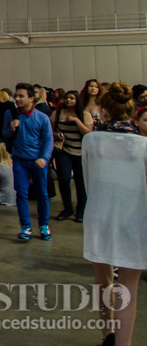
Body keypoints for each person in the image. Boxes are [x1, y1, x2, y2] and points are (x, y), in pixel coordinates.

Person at [82, 83, 143, 346]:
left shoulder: (91, 140)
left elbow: (87, 181)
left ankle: (107, 334)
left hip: (100, 215)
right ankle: (123, 343)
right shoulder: (144, 145)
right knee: (129, 286)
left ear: (103, 111)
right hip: (136, 218)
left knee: (103, 280)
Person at [3, 82, 54, 242]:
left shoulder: (42, 118)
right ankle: (26, 226)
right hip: (19, 161)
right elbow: (4, 135)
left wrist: (44, 158)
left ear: (32, 98)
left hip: (38, 162)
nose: (17, 99)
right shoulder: (10, 115)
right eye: (16, 96)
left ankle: (44, 225)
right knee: (21, 193)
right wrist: (10, 129)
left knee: (42, 194)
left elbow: (48, 141)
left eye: (21, 96)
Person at [51, 90, 92, 223]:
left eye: (72, 98)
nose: (68, 100)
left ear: (77, 100)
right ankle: (67, 208)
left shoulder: (85, 115)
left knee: (80, 182)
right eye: (67, 98)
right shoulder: (57, 114)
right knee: (63, 178)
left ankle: (81, 210)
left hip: (81, 152)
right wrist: (56, 135)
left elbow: (88, 133)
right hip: (64, 150)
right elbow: (50, 130)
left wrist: (75, 120)